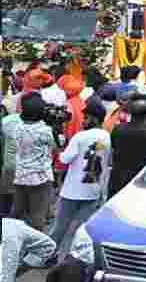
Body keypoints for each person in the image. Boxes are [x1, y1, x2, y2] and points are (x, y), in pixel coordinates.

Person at [49, 98, 111, 257]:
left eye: (86, 117)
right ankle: (75, 259)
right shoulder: (106, 136)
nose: (83, 121)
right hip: (93, 190)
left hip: (72, 190)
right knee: (81, 230)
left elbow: (64, 159)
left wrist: (58, 149)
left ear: (94, 119)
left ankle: (48, 255)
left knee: (60, 227)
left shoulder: (80, 137)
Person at [11, 93, 56, 230]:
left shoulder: (17, 128)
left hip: (20, 175)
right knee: (37, 216)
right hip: (40, 177)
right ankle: (37, 246)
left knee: (19, 212)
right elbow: (55, 147)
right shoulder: (45, 131)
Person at [108, 97, 146, 197]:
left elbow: (113, 146)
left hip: (118, 176)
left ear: (130, 113)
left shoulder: (118, 129)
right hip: (140, 176)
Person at [0, 217, 56, 282]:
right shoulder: (14, 226)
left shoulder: (11, 237)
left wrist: (25, 265)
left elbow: (49, 246)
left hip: (9, 237)